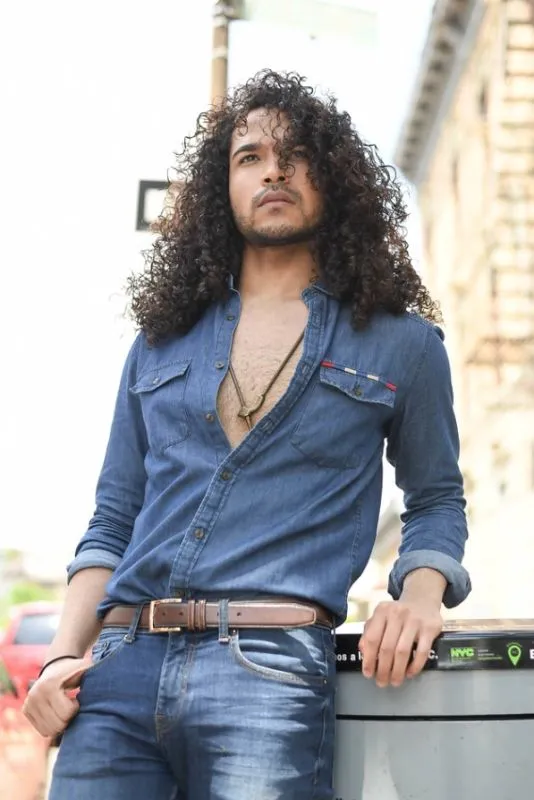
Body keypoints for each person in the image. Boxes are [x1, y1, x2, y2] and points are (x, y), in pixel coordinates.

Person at [23, 70, 471, 799]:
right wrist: (60, 659)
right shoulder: (160, 343)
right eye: (250, 156)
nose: (274, 172)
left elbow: (437, 498)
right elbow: (113, 517)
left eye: (297, 156)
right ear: (221, 188)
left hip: (269, 671)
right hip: (119, 668)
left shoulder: (403, 345)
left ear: (335, 181)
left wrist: (420, 596)